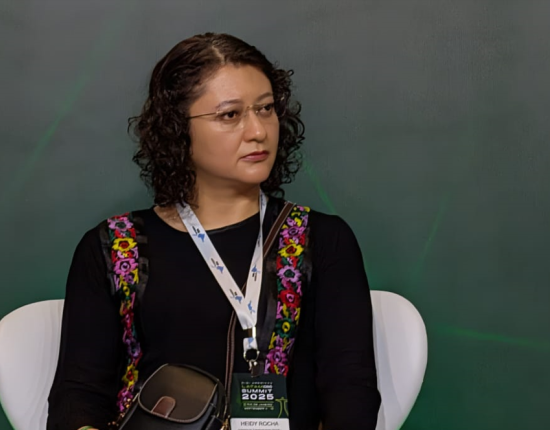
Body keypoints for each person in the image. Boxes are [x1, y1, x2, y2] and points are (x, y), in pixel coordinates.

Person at [46, 32, 380, 430]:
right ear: (177, 128)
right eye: (230, 115)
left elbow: (351, 391)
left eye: (266, 108)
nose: (258, 131)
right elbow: (77, 396)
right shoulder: (115, 247)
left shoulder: (321, 240)